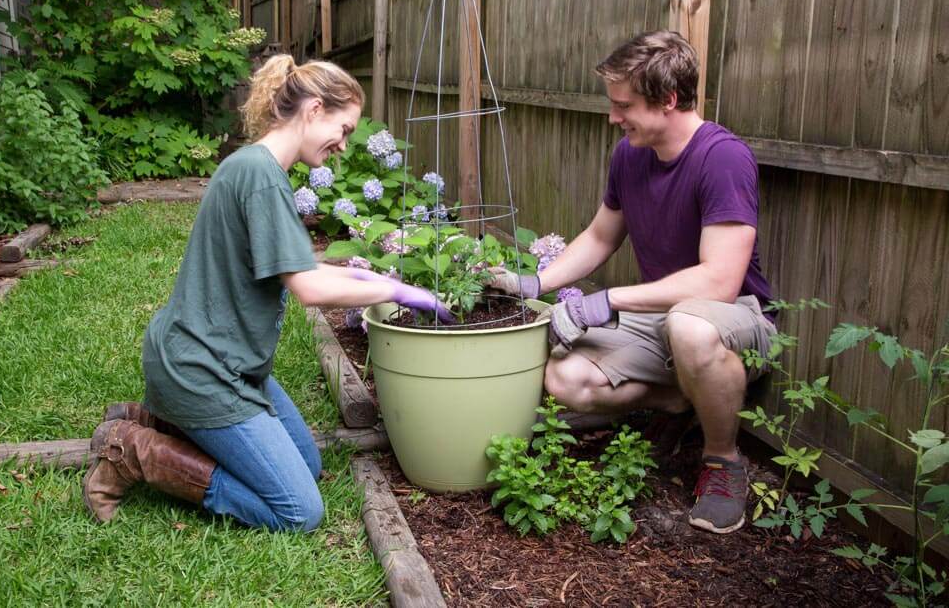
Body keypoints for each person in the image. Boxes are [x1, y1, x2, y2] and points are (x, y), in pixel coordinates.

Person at [83, 55, 450, 530]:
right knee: (299, 510)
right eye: (344, 128)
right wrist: (395, 291)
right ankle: (135, 451)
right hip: (201, 370)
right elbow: (308, 288)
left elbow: (299, 266)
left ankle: (158, 418)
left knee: (309, 467)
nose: (343, 144)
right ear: (315, 109)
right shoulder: (260, 176)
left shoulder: (257, 168)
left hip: (230, 363)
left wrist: (367, 279)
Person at [490, 31, 776, 535]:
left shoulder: (722, 158)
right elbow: (601, 237)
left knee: (690, 327)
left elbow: (720, 280)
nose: (613, 117)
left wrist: (606, 301)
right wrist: (533, 283)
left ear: (668, 100)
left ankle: (722, 461)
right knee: (564, 379)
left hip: (735, 318)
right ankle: (684, 399)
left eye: (624, 105)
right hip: (664, 319)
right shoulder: (630, 155)